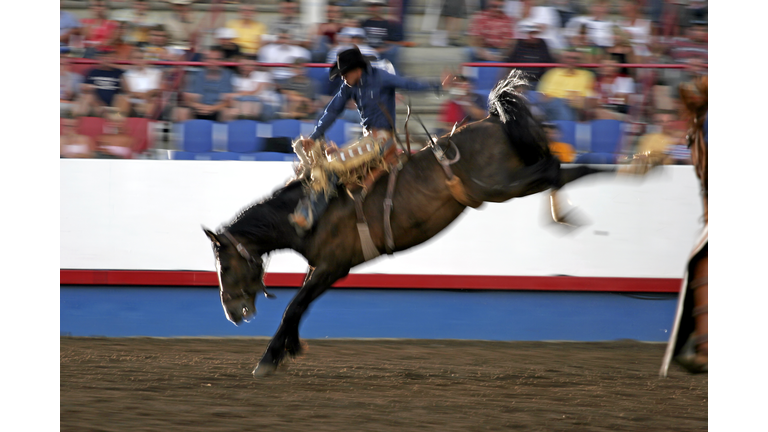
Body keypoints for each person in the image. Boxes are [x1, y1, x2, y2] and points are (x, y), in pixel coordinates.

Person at [289, 47, 452, 233]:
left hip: (382, 141)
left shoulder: (381, 77)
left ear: (357, 69)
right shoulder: (349, 86)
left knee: (331, 165)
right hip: (369, 140)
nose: (343, 78)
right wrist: (315, 136)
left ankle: (308, 216)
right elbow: (332, 110)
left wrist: (437, 85)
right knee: (330, 162)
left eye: (344, 73)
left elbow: (408, 83)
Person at [536, 49, 595, 121]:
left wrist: (582, 101)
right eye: (568, 57)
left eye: (575, 58)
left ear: (579, 60)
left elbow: (590, 97)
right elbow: (542, 96)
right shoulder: (552, 73)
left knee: (565, 108)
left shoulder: (586, 75)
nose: (572, 60)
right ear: (562, 59)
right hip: (551, 103)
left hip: (574, 106)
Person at [176, 49, 234, 122]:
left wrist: (212, 108)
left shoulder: (227, 75)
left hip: (217, 109)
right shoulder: (197, 75)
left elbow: (228, 101)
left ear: (221, 61)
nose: (213, 62)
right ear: (205, 60)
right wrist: (200, 107)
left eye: (216, 59)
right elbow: (188, 99)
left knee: (230, 112)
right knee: (181, 111)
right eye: (210, 59)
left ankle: (223, 133)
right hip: (198, 108)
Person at [77, 50, 131, 117]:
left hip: (114, 104)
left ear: (113, 58)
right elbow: (84, 89)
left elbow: (127, 90)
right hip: (95, 105)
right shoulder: (92, 72)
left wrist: (115, 67)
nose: (106, 59)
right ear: (99, 58)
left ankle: (116, 122)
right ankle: (79, 122)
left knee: (123, 98)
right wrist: (97, 104)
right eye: (104, 56)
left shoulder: (119, 72)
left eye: (109, 56)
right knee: (87, 96)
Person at [360, 0, 404, 71]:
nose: (374, 9)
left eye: (376, 7)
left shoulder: (389, 24)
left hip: (383, 52)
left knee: (393, 50)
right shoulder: (364, 23)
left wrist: (378, 50)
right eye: (371, 7)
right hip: (366, 51)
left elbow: (393, 43)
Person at [124, 50, 163, 118]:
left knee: (153, 100)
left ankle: (146, 124)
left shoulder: (156, 73)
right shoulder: (126, 75)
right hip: (133, 101)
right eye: (136, 58)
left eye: (141, 58)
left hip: (150, 99)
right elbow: (128, 91)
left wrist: (147, 95)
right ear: (131, 59)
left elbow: (157, 90)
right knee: (122, 99)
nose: (139, 61)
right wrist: (140, 95)